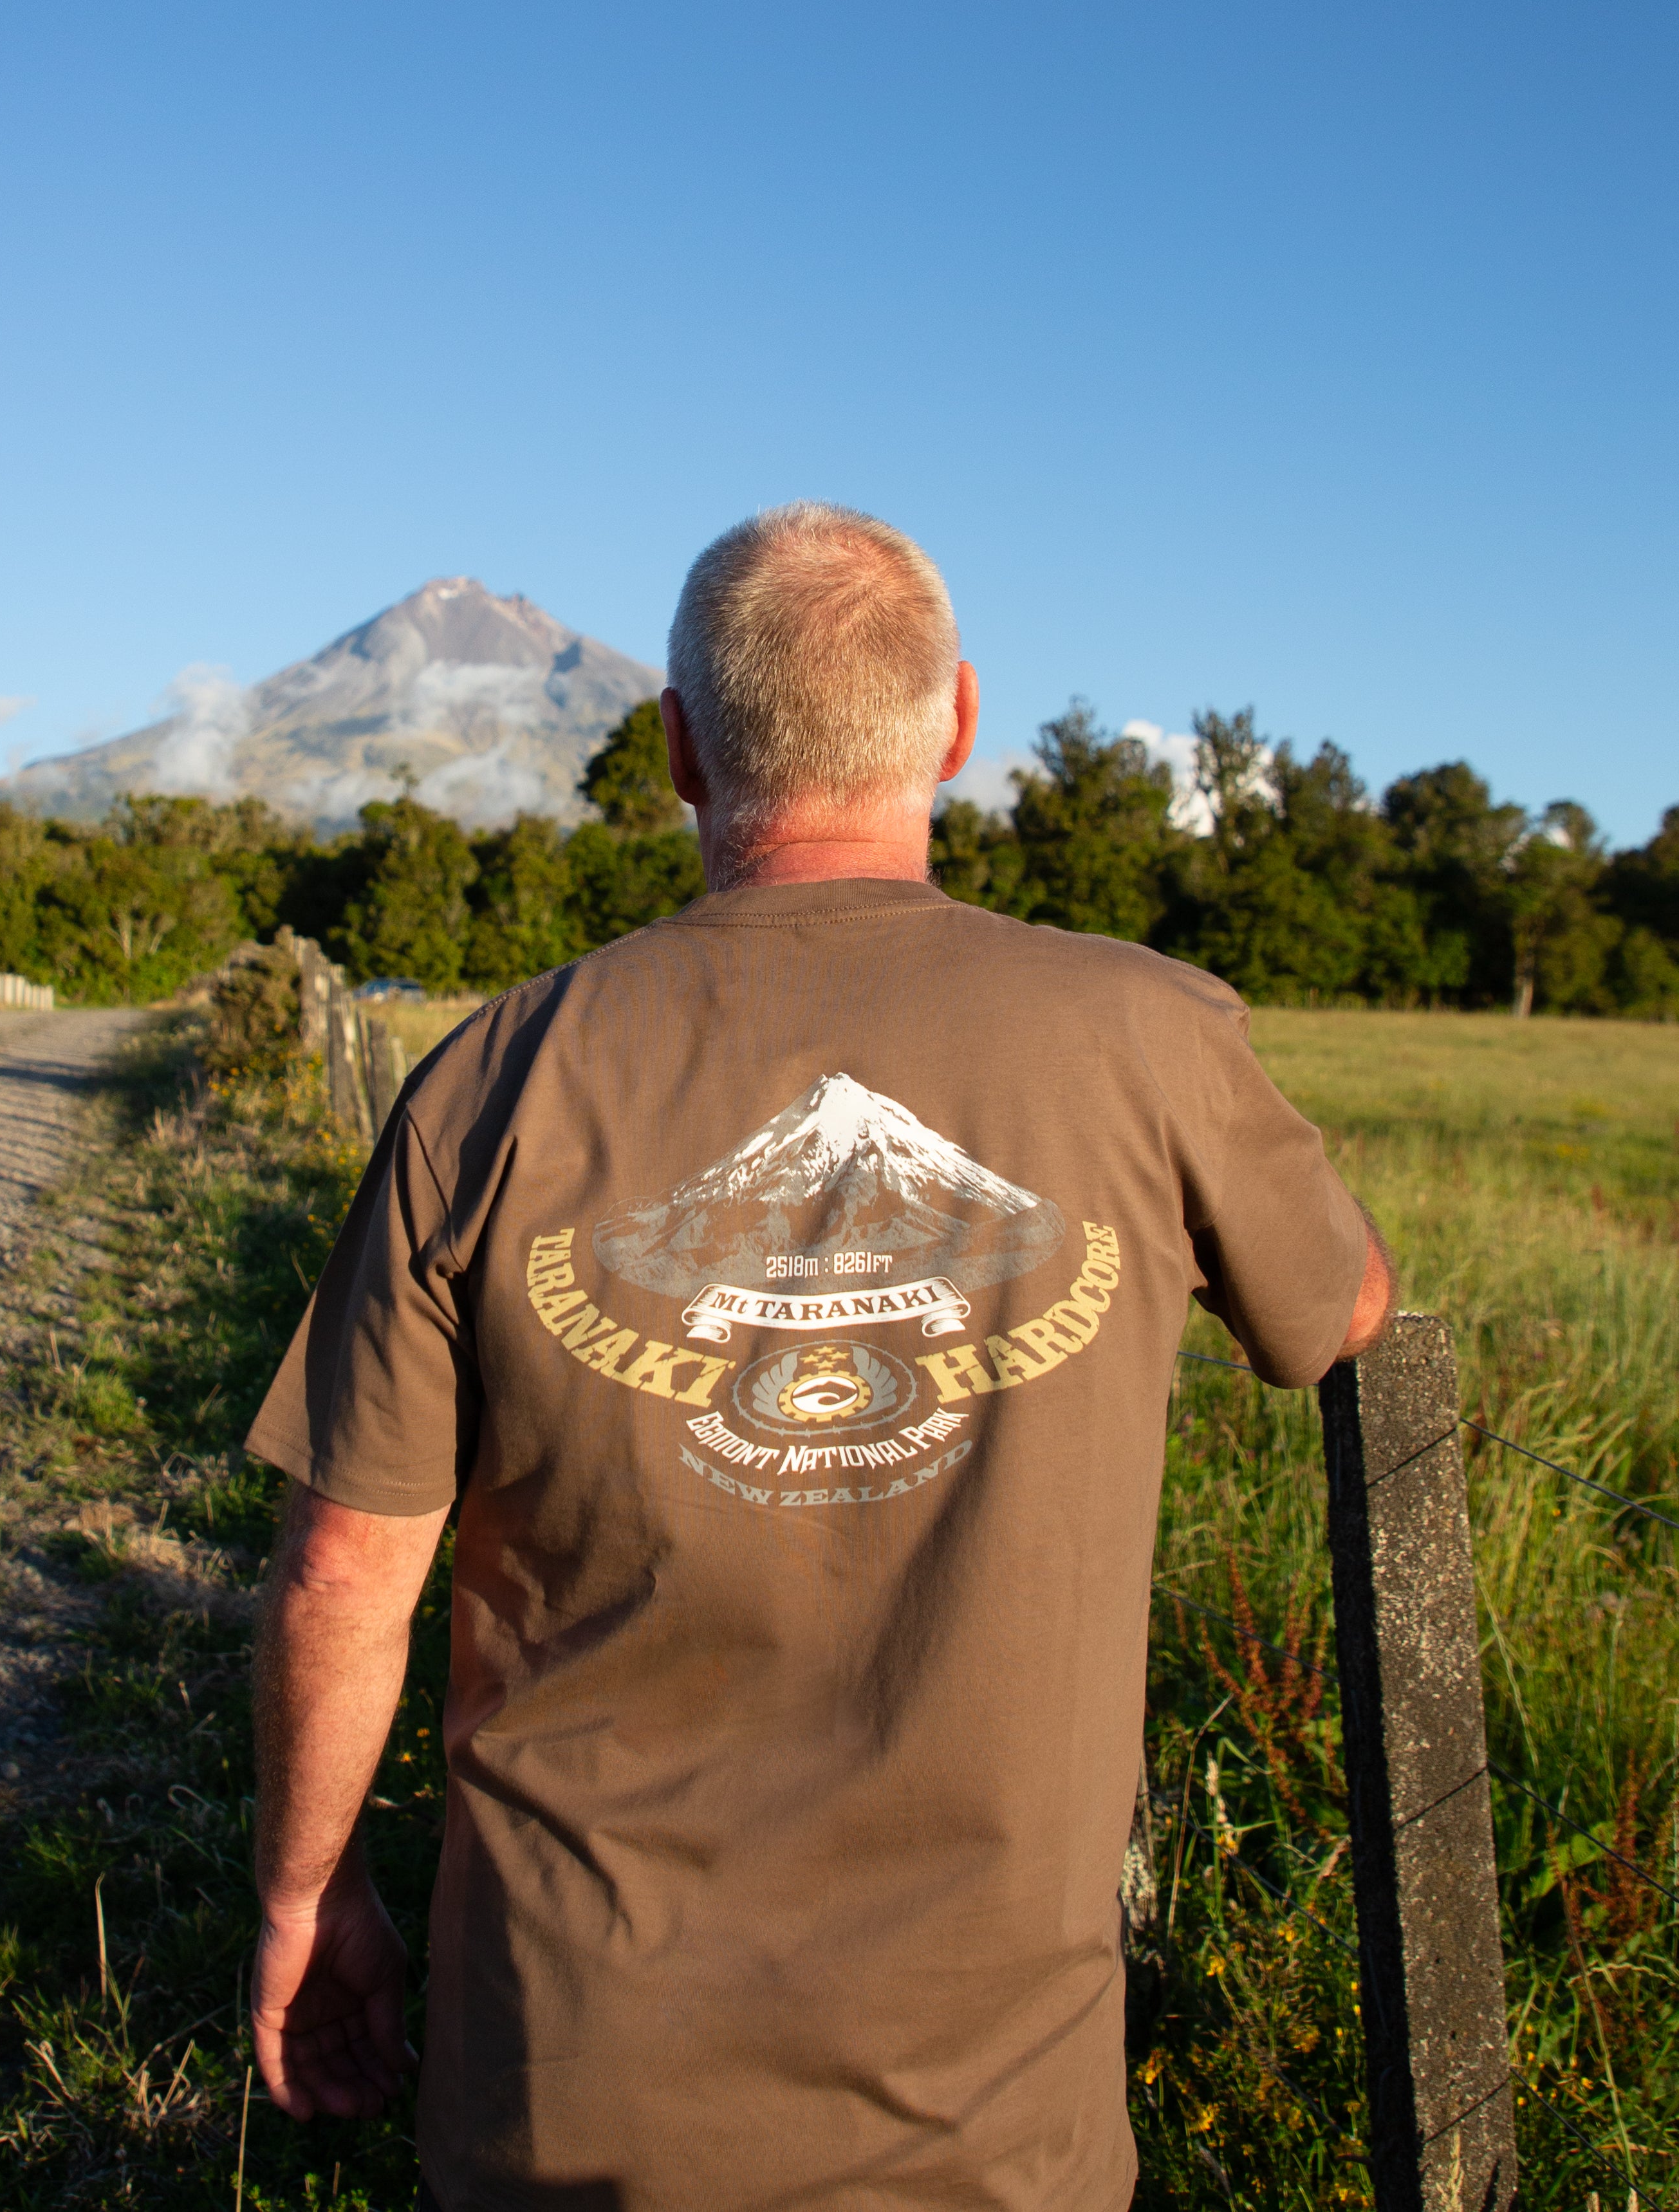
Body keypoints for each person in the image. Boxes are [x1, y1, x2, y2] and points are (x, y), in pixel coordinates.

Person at [246, 502, 1392, 2212]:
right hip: (1003, 2132)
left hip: (572, 2097)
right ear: (958, 725)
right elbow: (1346, 1312)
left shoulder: (496, 1076)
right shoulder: (1154, 1037)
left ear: (682, 749)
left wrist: (302, 1895)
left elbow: (347, 1577)